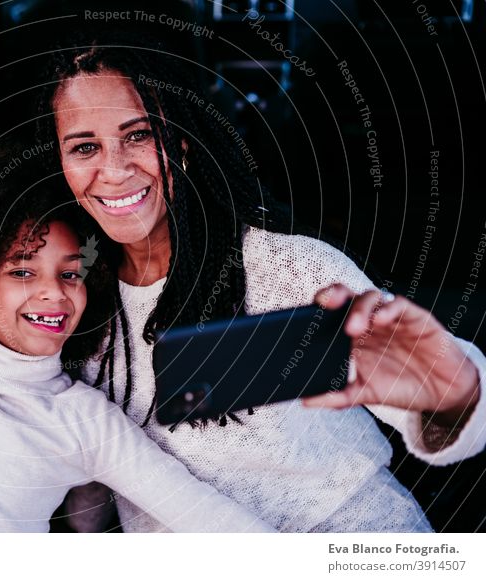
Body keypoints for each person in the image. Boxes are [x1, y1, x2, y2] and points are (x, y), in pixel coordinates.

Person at [35, 34, 486, 532]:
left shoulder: (288, 269)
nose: (115, 170)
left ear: (181, 139)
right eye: (84, 147)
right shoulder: (71, 308)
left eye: (139, 135)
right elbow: (92, 500)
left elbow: (449, 408)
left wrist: (458, 392)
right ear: (62, 163)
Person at [0, 140, 275, 532]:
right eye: (22, 271)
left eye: (71, 273)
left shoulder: (84, 422)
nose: (55, 292)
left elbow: (204, 515)